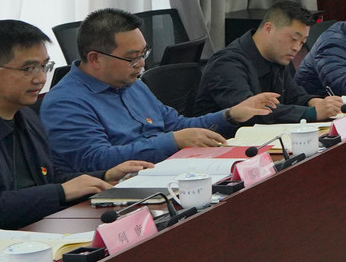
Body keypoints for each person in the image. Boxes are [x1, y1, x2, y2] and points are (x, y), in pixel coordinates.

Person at [0, 21, 154, 245]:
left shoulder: (25, 115)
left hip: (36, 235)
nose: (40, 78)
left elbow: (48, 177)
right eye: (28, 69)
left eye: (44, 67)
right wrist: (60, 192)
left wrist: (104, 176)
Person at [42, 9, 279, 172]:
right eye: (132, 58)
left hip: (166, 172)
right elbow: (96, 161)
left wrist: (230, 115)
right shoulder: (65, 102)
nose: (142, 64)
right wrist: (172, 141)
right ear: (95, 58)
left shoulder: (133, 84)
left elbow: (177, 125)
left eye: (143, 53)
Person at [196, 0, 344, 125]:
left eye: (302, 42)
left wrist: (313, 102)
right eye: (293, 39)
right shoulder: (227, 64)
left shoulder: (277, 57)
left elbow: (293, 95)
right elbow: (251, 113)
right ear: (269, 28)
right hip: (222, 143)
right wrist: (312, 113)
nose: (296, 48)